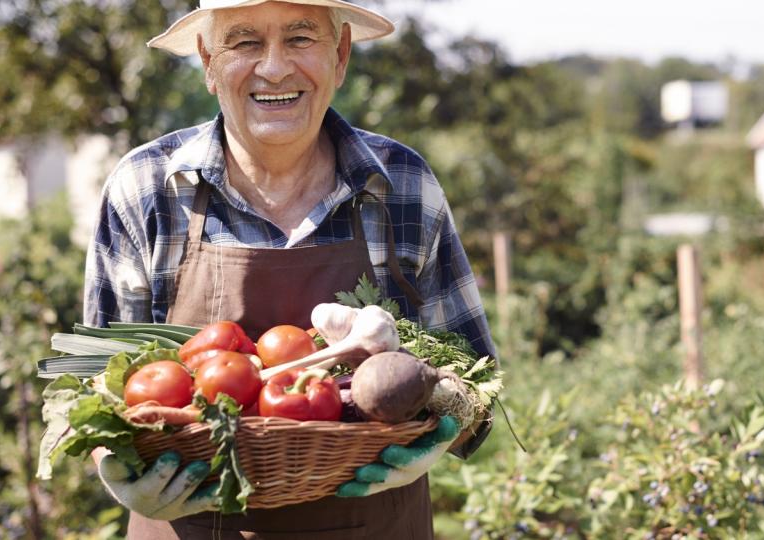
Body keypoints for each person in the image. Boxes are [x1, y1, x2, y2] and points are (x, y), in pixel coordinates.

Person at [83, 1, 496, 538]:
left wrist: (441, 431)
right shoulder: (145, 189)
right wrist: (114, 468)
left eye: (301, 39)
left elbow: (475, 383)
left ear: (341, 56)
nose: (274, 68)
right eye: (245, 41)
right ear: (208, 60)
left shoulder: (405, 186)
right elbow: (88, 391)